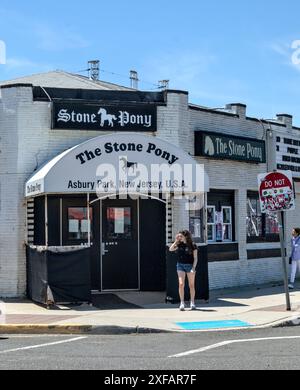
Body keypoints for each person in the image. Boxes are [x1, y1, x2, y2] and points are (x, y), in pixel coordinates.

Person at [169, 230, 198, 311]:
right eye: (179, 236)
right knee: (181, 284)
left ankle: (192, 302)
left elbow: (195, 258)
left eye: (181, 236)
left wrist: (193, 268)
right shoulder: (179, 244)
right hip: (180, 265)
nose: (179, 237)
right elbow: (170, 249)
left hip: (190, 266)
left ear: (186, 236)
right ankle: (182, 302)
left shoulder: (193, 245)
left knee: (191, 285)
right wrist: (175, 241)